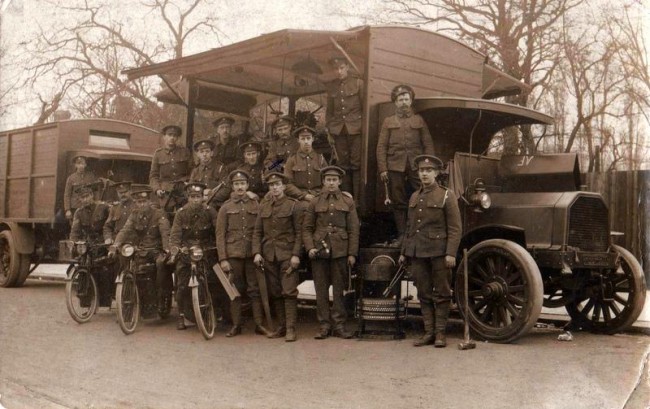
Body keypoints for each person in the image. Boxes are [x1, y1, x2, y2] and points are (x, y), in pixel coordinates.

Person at [398, 155, 461, 348]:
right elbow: (409, 228)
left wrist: (450, 253)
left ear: (436, 173)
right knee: (423, 293)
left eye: (428, 171)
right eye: (422, 171)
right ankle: (428, 332)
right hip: (417, 252)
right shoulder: (414, 196)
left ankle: (440, 334)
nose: (424, 174)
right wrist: (404, 252)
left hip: (439, 252)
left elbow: (455, 228)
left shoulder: (446, 195)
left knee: (442, 293)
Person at [302, 165, 360, 339]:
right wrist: (310, 247)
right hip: (320, 251)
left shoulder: (348, 201)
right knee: (320, 290)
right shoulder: (315, 201)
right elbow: (307, 228)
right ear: (323, 182)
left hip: (340, 252)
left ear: (340, 181)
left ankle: (339, 325)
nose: (331, 183)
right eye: (328, 180)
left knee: (339, 290)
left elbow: (353, 229)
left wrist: (352, 254)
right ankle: (324, 325)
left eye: (334, 180)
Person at [377, 84, 435, 247]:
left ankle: (420, 232)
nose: (403, 102)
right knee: (398, 201)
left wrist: (428, 166)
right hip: (395, 166)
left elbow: (428, 144)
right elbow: (381, 147)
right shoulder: (388, 121)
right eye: (400, 99)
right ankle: (403, 235)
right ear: (395, 102)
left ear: (411, 101)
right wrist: (383, 169)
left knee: (422, 197)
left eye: (406, 99)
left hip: (416, 166)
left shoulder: (419, 120)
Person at [216, 170, 272, 337]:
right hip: (233, 254)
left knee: (255, 289)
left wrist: (258, 252)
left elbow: (261, 230)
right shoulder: (225, 208)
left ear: (247, 185)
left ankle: (258, 324)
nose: (240, 187)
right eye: (236, 184)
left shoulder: (256, 205)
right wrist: (223, 258)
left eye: (242, 184)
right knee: (234, 290)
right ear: (232, 187)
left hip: (252, 254)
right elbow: (220, 235)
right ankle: (236, 325)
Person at [168, 182, 226, 330]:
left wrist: (216, 247)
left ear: (202, 198)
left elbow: (218, 231)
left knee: (215, 281)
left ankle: (217, 312)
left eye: (198, 197)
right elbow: (175, 234)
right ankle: (181, 316)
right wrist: (175, 248)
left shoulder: (210, 211)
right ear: (188, 198)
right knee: (181, 284)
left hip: (206, 250)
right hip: (187, 251)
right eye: (192, 197)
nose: (195, 200)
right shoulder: (181, 213)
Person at [252, 172, 302, 342]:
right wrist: (257, 252)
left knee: (288, 291)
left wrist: (296, 255)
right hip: (269, 255)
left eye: (278, 184)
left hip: (287, 254)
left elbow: (300, 233)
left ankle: (290, 328)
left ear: (284, 186)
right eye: (271, 185)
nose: (274, 187)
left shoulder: (293, 205)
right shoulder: (263, 206)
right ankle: (281, 326)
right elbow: (257, 232)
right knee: (275, 291)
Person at [112, 184, 172, 316]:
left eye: (144, 201)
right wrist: (116, 244)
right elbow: (125, 230)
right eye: (139, 202)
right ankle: (129, 301)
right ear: (136, 203)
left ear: (149, 201)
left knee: (161, 265)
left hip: (156, 250)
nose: (142, 204)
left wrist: (167, 249)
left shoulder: (159, 214)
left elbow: (165, 232)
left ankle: (162, 296)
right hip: (142, 250)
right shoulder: (134, 215)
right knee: (129, 266)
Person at [326, 56, 363, 199]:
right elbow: (329, 112)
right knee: (343, 165)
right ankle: (347, 198)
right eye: (336, 69)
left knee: (356, 164)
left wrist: (363, 129)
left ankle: (358, 201)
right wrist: (329, 131)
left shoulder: (358, 84)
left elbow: (363, 108)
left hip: (355, 130)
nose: (339, 71)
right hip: (338, 131)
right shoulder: (332, 87)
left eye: (341, 68)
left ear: (347, 67)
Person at [149, 125, 192, 212]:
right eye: (169, 135)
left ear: (177, 138)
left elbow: (193, 171)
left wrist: (188, 183)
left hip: (183, 189)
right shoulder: (158, 154)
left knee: (188, 210)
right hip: (166, 190)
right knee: (163, 212)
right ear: (164, 137)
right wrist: (157, 189)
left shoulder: (184, 152)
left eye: (175, 135)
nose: (172, 138)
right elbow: (153, 175)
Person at [284, 125, 328, 203]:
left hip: (319, 197)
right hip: (299, 199)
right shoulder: (292, 159)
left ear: (313, 139)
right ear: (298, 140)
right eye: (303, 139)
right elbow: (287, 184)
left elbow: (327, 180)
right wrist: (303, 195)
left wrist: (319, 195)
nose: (306, 141)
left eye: (308, 138)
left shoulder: (320, 158)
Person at [189, 139, 232, 210]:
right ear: (197, 154)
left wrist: (210, 196)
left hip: (216, 204)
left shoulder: (220, 168)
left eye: (207, 151)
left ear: (212, 153)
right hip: (198, 202)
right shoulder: (195, 171)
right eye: (201, 152)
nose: (204, 154)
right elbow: (190, 189)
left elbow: (226, 188)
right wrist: (202, 196)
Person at [64, 155, 98, 222]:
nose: (81, 166)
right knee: (75, 228)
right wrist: (67, 209)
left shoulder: (91, 176)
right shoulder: (71, 178)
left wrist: (96, 204)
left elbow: (95, 191)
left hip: (88, 206)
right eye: (79, 164)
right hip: (75, 207)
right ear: (75, 165)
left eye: (83, 163)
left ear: (85, 165)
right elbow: (67, 194)